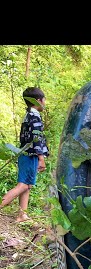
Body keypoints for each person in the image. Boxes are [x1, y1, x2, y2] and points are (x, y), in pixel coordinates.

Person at [0, 87, 49, 222]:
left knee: (27, 185)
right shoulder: (34, 117)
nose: (45, 102)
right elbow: (36, 138)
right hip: (30, 154)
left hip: (25, 154)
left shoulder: (29, 114)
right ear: (38, 101)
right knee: (23, 185)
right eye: (44, 100)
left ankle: (22, 214)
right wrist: (41, 158)